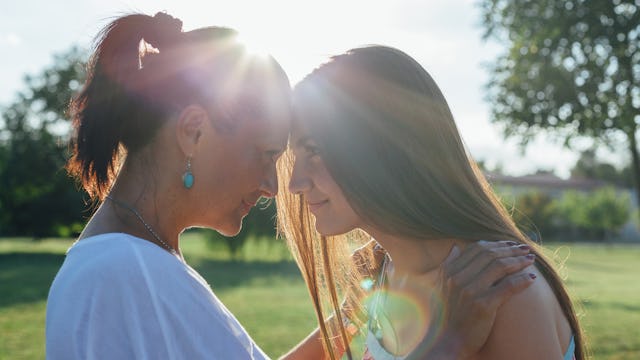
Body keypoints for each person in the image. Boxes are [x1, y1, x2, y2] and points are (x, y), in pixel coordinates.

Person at [47, 12, 536, 359]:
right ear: (193, 131)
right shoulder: (114, 275)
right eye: (267, 155)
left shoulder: (144, 261)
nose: (273, 186)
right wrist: (446, 345)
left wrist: (352, 318)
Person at [276, 45, 585, 359]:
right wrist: (348, 314)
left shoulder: (501, 293)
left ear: (383, 149)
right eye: (295, 155)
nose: (294, 183)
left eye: (313, 150)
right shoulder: (384, 278)